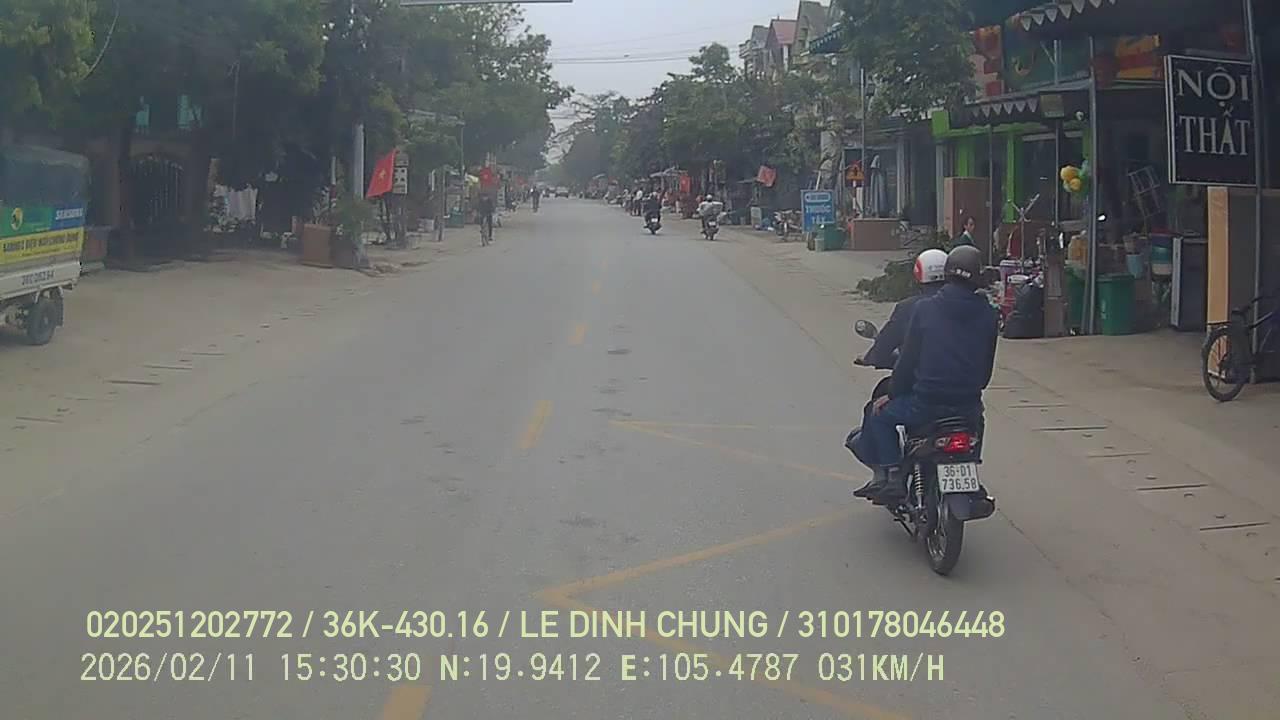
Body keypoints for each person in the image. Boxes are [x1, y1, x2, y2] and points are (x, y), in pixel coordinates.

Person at [850, 245, 998, 500]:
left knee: (879, 415)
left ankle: (893, 476)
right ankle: (971, 469)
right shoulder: (988, 314)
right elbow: (986, 368)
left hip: (925, 403)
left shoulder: (924, 309)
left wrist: (893, 393)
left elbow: (907, 361)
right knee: (977, 422)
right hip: (967, 404)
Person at [855, 249, 948, 370]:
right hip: (965, 378)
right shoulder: (970, 303)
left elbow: (887, 340)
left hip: (922, 377)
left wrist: (871, 357)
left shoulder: (908, 308)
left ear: (918, 274)